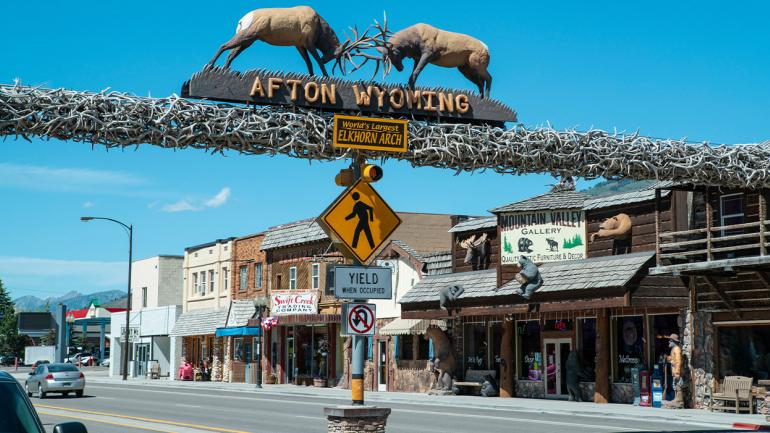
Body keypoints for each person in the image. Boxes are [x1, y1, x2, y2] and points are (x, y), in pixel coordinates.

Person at [663, 333, 684, 409]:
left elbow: (678, 361)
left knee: (678, 385)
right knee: (675, 385)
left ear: (673, 342)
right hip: (674, 371)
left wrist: (677, 372)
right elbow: (674, 359)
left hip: (676, 371)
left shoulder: (677, 349)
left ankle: (679, 399)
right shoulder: (674, 349)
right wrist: (669, 358)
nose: (669, 342)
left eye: (670, 340)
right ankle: (676, 398)